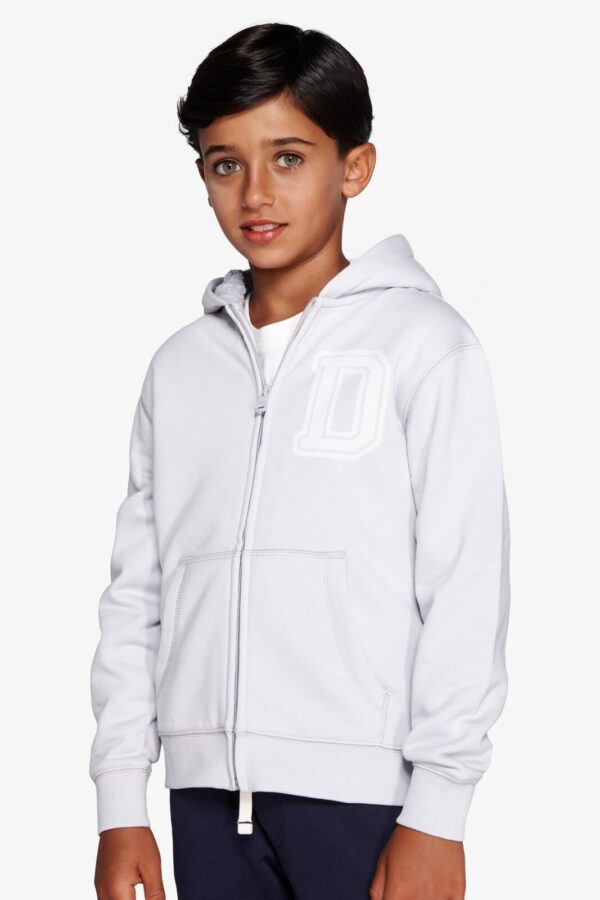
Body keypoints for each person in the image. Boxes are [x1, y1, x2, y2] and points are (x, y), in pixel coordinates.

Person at [90, 21, 511, 900]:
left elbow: (466, 584)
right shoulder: (179, 369)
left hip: (367, 800)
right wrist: (120, 800)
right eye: (225, 163)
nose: (255, 192)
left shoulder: (424, 344)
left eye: (288, 157)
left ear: (355, 167)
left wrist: (439, 810)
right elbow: (138, 595)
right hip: (204, 800)